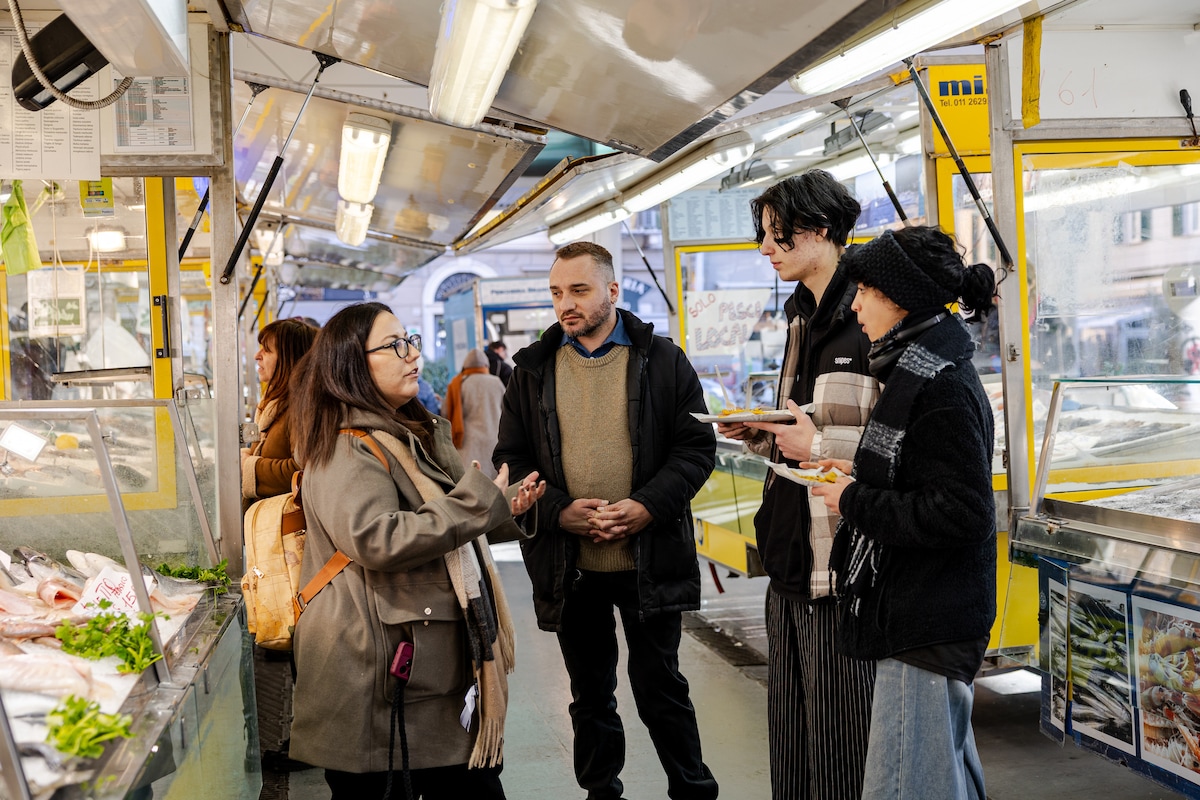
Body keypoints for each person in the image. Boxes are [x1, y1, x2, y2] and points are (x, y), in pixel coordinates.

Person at [287, 302, 546, 800]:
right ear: (350, 363)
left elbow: (441, 522)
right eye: (395, 345)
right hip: (379, 675)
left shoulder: (408, 430)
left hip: (413, 666)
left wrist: (501, 507)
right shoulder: (347, 444)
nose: (412, 356)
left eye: (412, 342)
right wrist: (476, 502)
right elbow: (376, 538)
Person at [494, 241, 719, 800]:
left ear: (612, 292)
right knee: (589, 693)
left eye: (578, 290)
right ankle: (601, 794)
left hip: (649, 556)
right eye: (556, 292)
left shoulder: (663, 360)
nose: (564, 304)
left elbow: (695, 448)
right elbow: (512, 460)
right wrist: (557, 510)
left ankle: (692, 791)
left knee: (659, 685)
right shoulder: (532, 370)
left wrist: (647, 505)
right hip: (571, 565)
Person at [810, 226, 998, 800]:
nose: (856, 304)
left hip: (926, 619)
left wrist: (853, 500)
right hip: (924, 615)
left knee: (908, 784)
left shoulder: (939, 384)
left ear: (898, 298)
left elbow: (964, 512)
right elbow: (922, 480)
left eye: (865, 290)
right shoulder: (920, 367)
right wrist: (858, 478)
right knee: (944, 777)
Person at [715, 170, 878, 800]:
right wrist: (760, 431)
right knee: (789, 742)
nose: (766, 248)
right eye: (763, 235)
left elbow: (898, 446)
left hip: (839, 568)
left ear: (820, 228)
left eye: (776, 234)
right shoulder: (798, 319)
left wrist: (818, 445)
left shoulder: (870, 317)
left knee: (839, 746)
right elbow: (805, 427)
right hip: (787, 558)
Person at [241, 318, 318, 504]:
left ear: (288, 358)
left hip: (284, 526)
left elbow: (304, 470)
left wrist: (247, 466)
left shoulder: (302, 407)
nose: (257, 356)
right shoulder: (275, 403)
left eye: (267, 350)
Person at [443, 349, 506, 479]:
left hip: (467, 445)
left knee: (472, 485)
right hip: (494, 443)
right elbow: (507, 411)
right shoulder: (496, 382)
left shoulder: (458, 384)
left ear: (465, 366)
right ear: (486, 365)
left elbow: (445, 413)